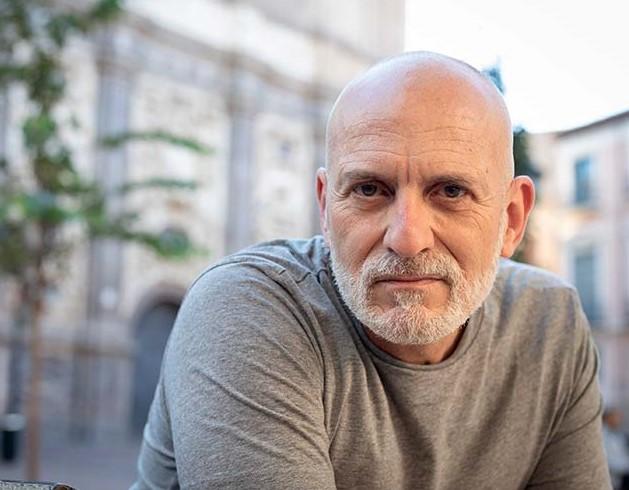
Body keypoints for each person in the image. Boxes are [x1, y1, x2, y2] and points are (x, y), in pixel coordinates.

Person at [132, 52, 611, 489]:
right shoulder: (245, 311)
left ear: (511, 219)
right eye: (368, 190)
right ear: (325, 208)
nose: (407, 238)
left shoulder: (550, 323)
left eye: (450, 192)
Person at [603, 408, 629, 489]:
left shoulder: (618, 435)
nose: (618, 420)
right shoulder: (603, 435)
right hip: (615, 475)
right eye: (615, 417)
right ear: (608, 418)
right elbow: (609, 460)